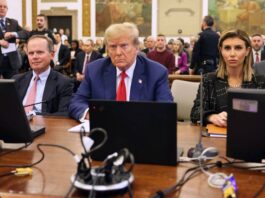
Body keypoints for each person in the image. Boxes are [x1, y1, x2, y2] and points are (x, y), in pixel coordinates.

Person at [69, 22, 173, 121]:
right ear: (107, 49)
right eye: (113, 47)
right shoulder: (94, 69)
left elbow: (166, 110)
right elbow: (77, 102)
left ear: (136, 47)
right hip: (105, 134)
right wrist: (91, 114)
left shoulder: (157, 73)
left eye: (124, 46)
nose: (118, 52)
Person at [190, 29, 265, 127]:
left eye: (238, 48)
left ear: (247, 51)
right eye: (227, 48)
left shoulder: (260, 81)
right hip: (215, 139)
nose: (232, 54)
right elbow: (195, 112)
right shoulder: (209, 79)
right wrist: (212, 117)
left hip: (250, 137)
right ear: (221, 51)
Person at [12, 35, 74, 116]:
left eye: (39, 52)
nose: (34, 57)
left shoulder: (64, 83)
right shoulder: (16, 80)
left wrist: (34, 115)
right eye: (31, 53)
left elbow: (63, 114)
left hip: (46, 127)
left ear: (51, 55)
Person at [0, 0, 28, 78]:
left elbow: (26, 33)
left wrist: (14, 34)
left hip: (11, 62)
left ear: (7, 9)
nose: (2, 8)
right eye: (0, 6)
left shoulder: (13, 22)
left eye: (4, 7)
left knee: (12, 87)